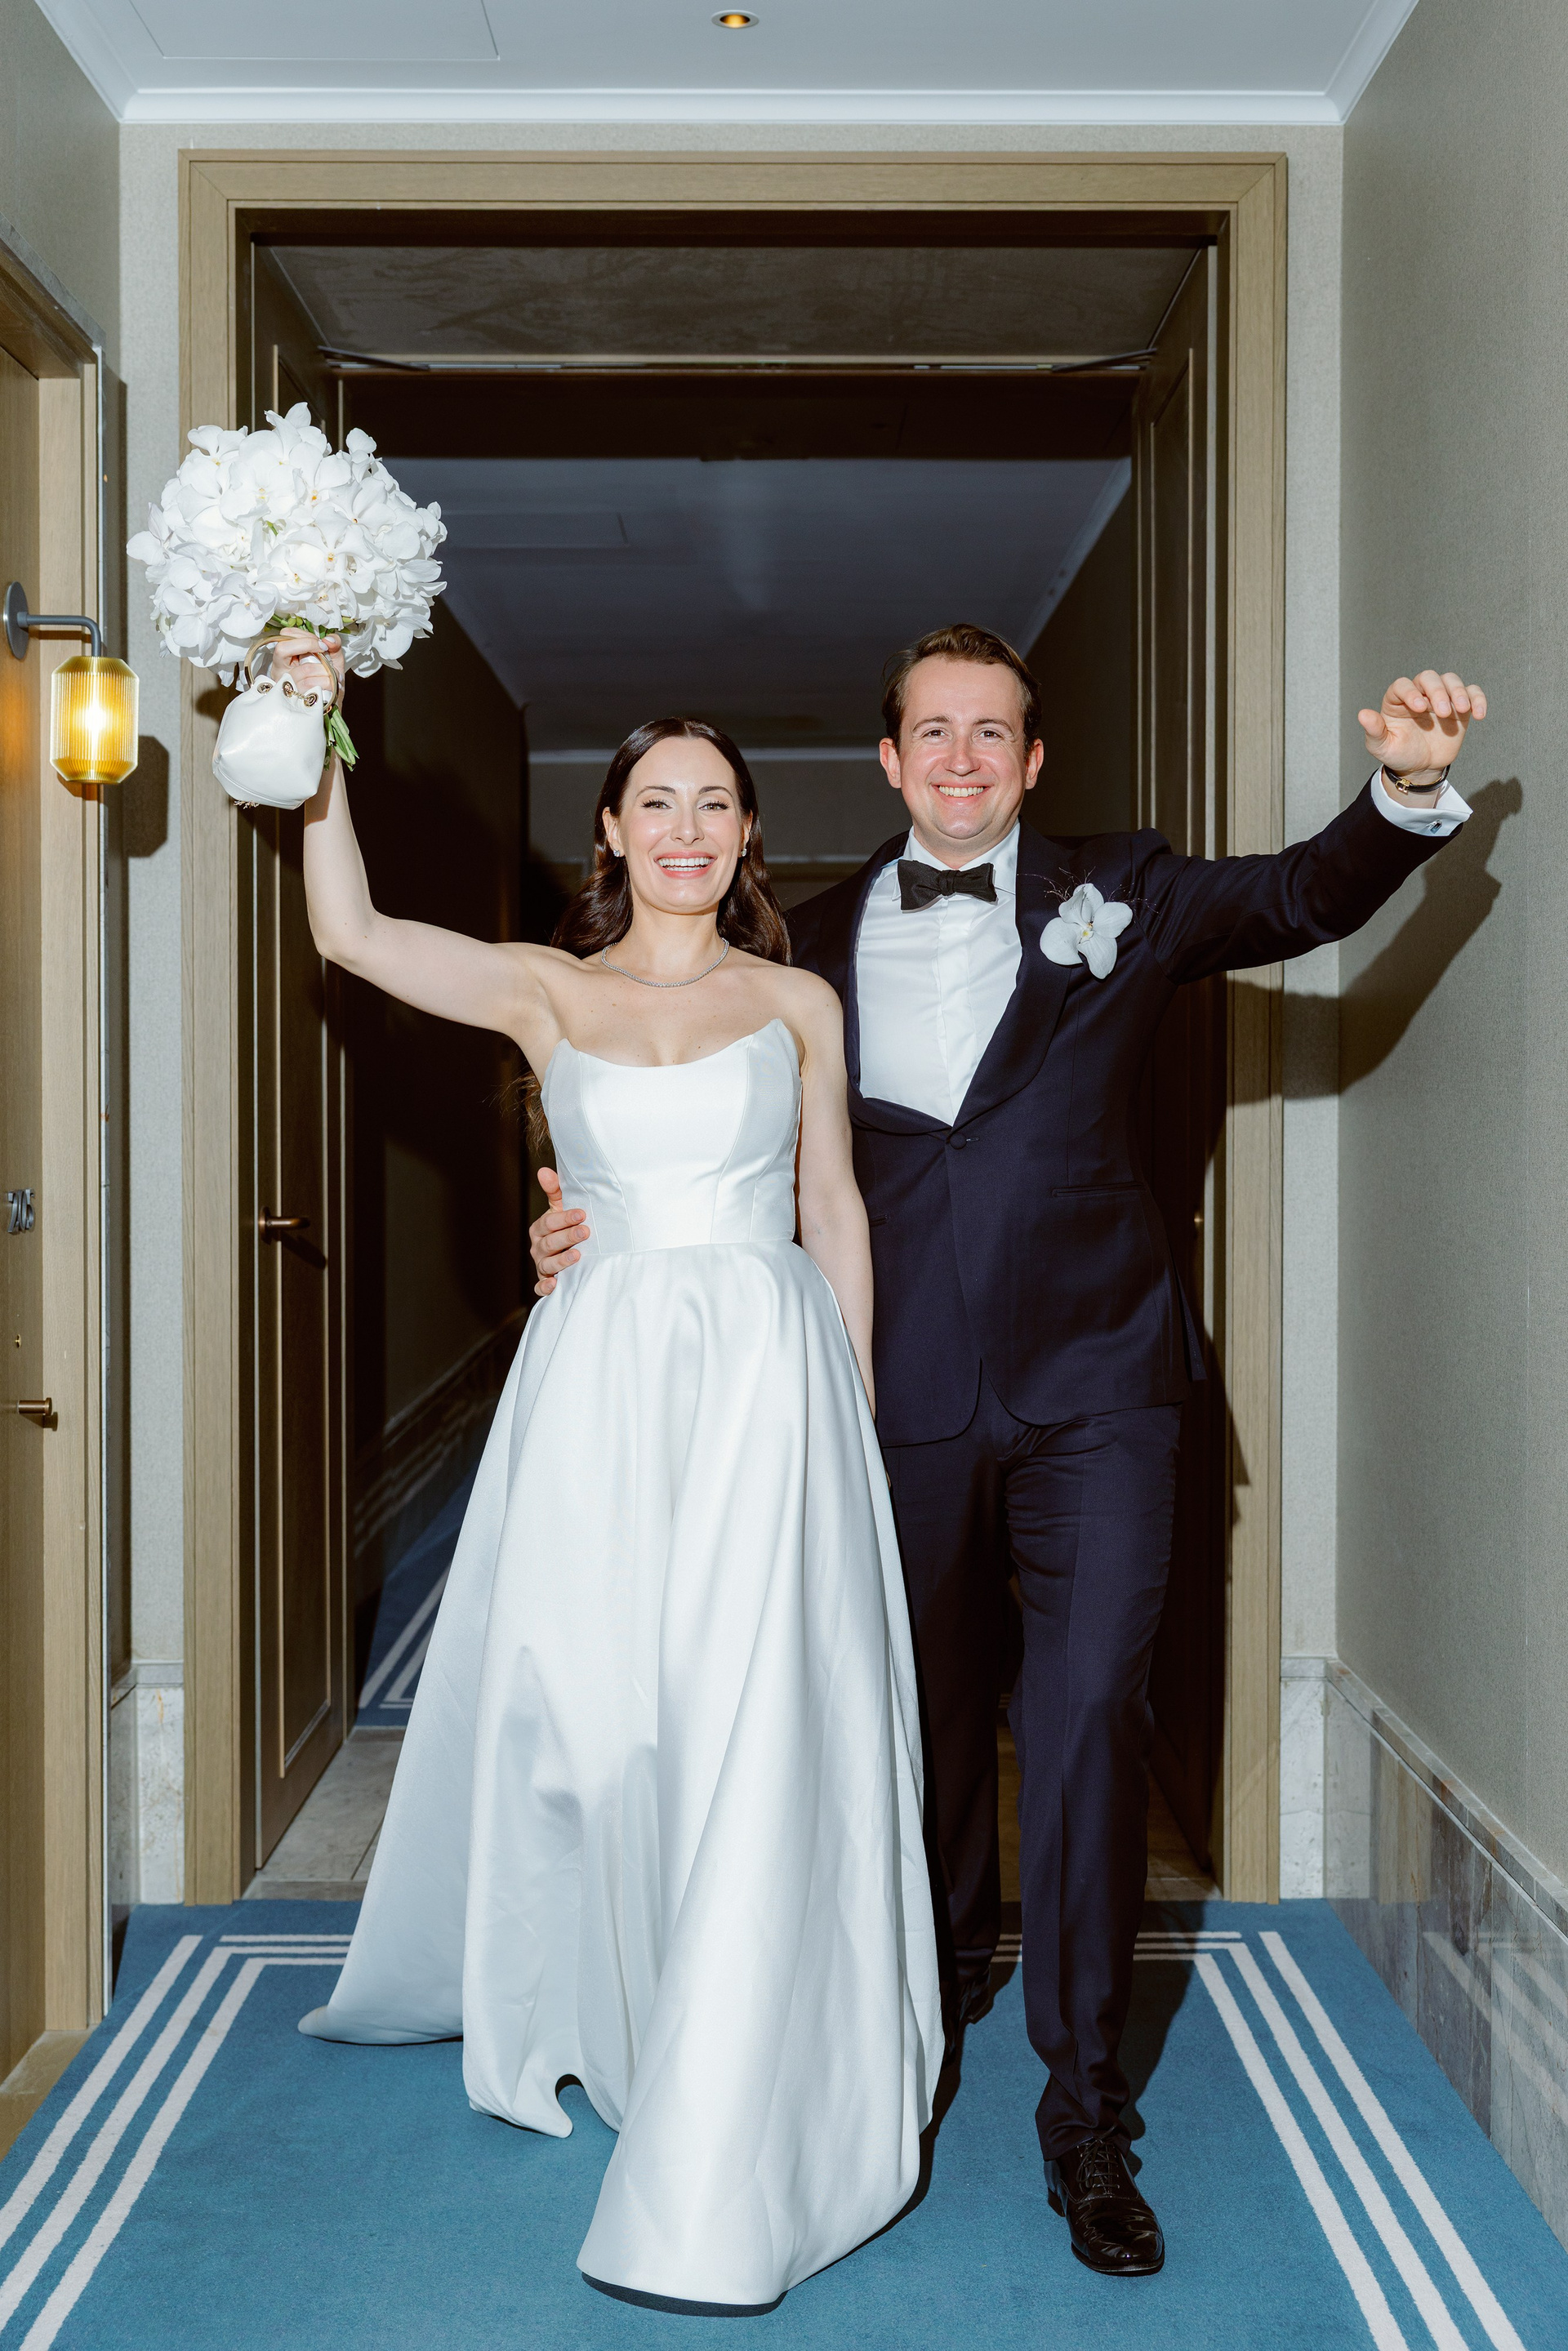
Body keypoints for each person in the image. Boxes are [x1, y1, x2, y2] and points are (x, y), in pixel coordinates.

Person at [532, 621, 1487, 2281]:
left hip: (1103, 1390)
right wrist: (576, 1229)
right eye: (934, 732)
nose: (963, 758)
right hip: (884, 1393)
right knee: (911, 1722)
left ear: (1032, 763)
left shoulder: (1127, 890)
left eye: (993, 733)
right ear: (889, 762)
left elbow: (1300, 898)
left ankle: (1087, 2108)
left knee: (1089, 1717)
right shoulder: (806, 946)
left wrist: (1402, 796)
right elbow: (696, 1139)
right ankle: (926, 1987)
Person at [278, 635, 942, 2316]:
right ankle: (605, 1991)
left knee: (739, 1712)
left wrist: (854, 1415)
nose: (688, 829)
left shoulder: (796, 1003)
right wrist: (311, 727)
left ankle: (738, 2042)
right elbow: (350, 933)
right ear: (612, 829)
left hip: (767, 1387)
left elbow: (835, 1210)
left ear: (747, 833)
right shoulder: (544, 990)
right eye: (659, 801)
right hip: (598, 1385)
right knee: (596, 1711)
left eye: (716, 803)